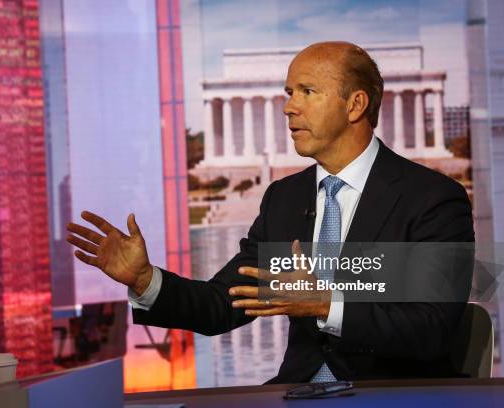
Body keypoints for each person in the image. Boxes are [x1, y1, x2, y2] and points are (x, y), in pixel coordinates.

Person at [66, 41, 474, 383]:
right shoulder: (283, 198)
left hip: (395, 396)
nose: (288, 108)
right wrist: (144, 280)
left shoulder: (433, 200)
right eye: (287, 93)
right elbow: (222, 303)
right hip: (297, 393)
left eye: (306, 92)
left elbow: (431, 330)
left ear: (355, 105)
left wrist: (326, 305)